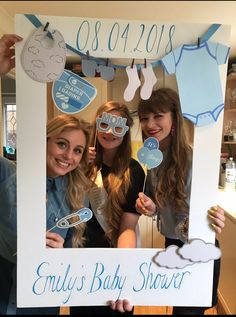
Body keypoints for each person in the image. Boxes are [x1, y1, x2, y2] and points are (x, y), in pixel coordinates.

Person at [135, 88, 225, 315]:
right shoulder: (154, 160)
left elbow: (202, 211)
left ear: (174, 118)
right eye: (144, 118)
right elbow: (166, 207)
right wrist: (153, 208)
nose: (150, 124)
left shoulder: (194, 159)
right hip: (173, 244)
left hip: (198, 246)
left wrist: (214, 218)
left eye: (158, 116)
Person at [0, 114, 91, 314]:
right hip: (4, 287)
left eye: (77, 150)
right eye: (62, 144)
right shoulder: (8, 176)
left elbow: (72, 262)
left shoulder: (78, 196)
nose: (69, 156)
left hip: (42, 298)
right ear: (45, 140)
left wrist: (59, 256)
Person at [68, 101, 145, 315]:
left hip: (115, 258)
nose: (110, 132)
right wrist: (80, 166)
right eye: (105, 124)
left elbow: (127, 228)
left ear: (126, 131)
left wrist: (122, 274)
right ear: (96, 125)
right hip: (81, 262)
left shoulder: (134, 171)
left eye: (118, 127)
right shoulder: (76, 162)